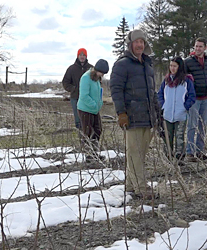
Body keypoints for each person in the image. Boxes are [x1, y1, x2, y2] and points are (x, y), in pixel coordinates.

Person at [110, 29, 160, 199]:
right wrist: (121, 112)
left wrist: (157, 111)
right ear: (130, 44)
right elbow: (116, 89)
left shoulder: (147, 64)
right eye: (136, 42)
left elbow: (152, 91)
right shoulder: (122, 64)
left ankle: (131, 184)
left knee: (140, 152)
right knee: (135, 152)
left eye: (142, 42)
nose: (139, 45)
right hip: (132, 115)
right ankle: (141, 187)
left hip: (147, 115)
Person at [185, 38, 207, 161]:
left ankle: (199, 151)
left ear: (205, 47)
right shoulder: (188, 62)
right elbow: (183, 79)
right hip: (194, 98)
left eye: (200, 46)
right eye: (196, 46)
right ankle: (189, 152)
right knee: (192, 125)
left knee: (203, 125)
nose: (198, 48)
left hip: (206, 96)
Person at [158, 56, 196, 161]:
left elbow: (192, 96)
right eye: (171, 66)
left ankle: (180, 158)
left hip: (181, 114)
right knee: (167, 137)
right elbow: (160, 94)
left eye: (175, 66)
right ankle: (168, 157)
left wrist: (185, 106)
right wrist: (163, 105)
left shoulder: (186, 81)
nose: (172, 68)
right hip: (167, 114)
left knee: (179, 137)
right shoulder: (166, 80)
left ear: (179, 67)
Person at [77, 59, 109, 162]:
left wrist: (99, 103)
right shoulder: (86, 78)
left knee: (98, 130)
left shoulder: (97, 79)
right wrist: (94, 105)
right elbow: (84, 96)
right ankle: (89, 156)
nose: (102, 75)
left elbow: (98, 93)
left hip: (94, 110)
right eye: (101, 72)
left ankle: (95, 153)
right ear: (96, 69)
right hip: (85, 109)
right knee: (88, 132)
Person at [62, 48, 93, 129]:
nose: (82, 57)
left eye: (84, 55)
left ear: (86, 56)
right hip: (75, 98)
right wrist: (73, 89)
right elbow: (65, 82)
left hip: (88, 98)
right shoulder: (71, 69)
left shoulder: (91, 69)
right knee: (78, 119)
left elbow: (97, 81)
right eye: (80, 55)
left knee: (88, 118)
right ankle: (81, 137)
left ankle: (89, 136)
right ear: (78, 56)